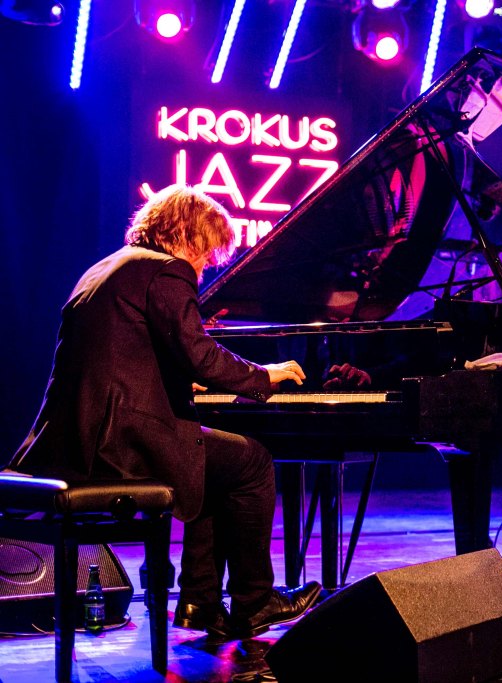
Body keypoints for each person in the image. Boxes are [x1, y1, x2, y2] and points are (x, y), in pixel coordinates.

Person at [6, 184, 322, 638]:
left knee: (209, 460)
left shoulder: (107, 268)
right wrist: (263, 375)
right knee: (252, 461)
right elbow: (200, 354)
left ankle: (200, 603)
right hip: (118, 445)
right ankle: (255, 602)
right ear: (188, 236)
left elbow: (118, 359)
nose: (206, 264)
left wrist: (174, 380)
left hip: (70, 442)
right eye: (207, 252)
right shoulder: (168, 270)